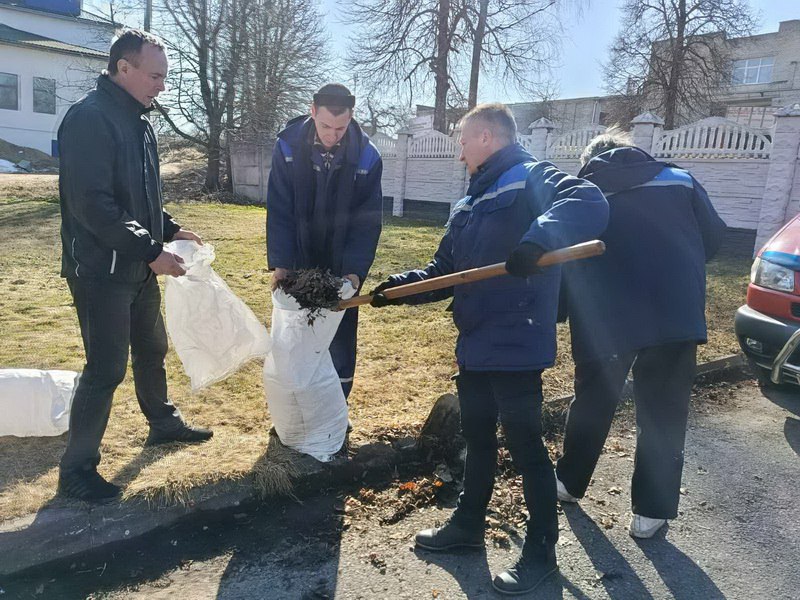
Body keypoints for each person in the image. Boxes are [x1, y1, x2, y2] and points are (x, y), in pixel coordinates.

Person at [369, 103, 608, 595]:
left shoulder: (528, 176)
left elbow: (588, 200)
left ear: (486, 138)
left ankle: (541, 552)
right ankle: (467, 527)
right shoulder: (469, 203)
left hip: (518, 337)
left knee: (524, 445)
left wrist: (538, 238)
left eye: (462, 139)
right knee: (477, 438)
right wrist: (399, 288)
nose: (458, 149)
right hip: (475, 340)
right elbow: (445, 272)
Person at [57, 29, 213, 503]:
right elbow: (94, 206)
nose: (162, 85)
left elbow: (140, 198)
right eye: (155, 75)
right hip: (100, 270)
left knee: (151, 347)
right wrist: (151, 250)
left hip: (138, 264)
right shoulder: (90, 119)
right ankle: (77, 470)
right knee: (105, 369)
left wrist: (170, 229)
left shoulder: (138, 121)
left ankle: (162, 424)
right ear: (124, 68)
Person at [555, 128, 726, 538]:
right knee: (664, 410)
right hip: (674, 314)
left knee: (593, 400)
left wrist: (559, 310)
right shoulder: (680, 179)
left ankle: (567, 483)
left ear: (591, 159)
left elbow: (563, 253)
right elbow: (715, 241)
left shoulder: (583, 189)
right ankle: (650, 513)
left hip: (606, 317)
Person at [266, 83, 383, 401]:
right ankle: (295, 408)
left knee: (340, 337)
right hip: (301, 255)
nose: (333, 135)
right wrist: (281, 263)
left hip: (342, 258)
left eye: (341, 128)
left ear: (351, 118)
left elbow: (367, 221)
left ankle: (335, 412)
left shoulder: (368, 157)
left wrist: (354, 272)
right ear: (312, 111)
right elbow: (279, 209)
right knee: (297, 334)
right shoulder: (287, 148)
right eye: (326, 127)